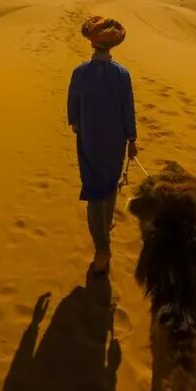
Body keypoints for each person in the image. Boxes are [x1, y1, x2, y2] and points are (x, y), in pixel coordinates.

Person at [67, 15, 138, 275]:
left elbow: (73, 108)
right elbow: (127, 108)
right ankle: (104, 238)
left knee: (94, 191)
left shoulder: (80, 72)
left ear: (92, 44)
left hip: (89, 140)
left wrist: (76, 123)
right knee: (109, 187)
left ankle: (101, 249)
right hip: (115, 141)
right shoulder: (122, 74)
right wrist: (131, 139)